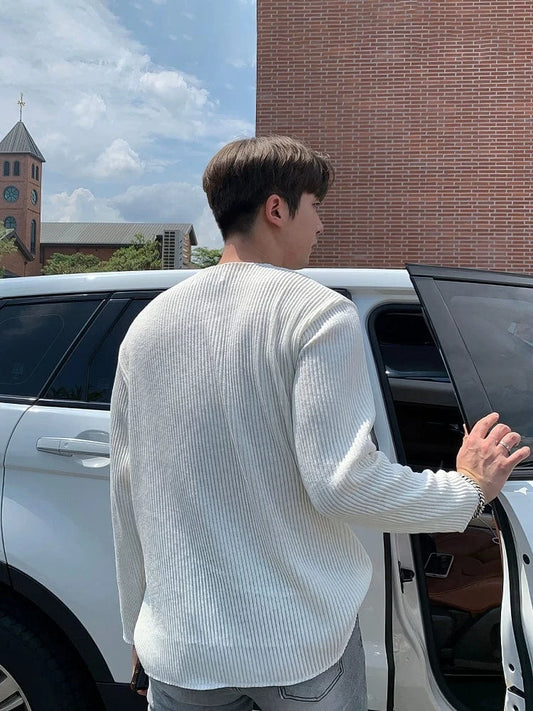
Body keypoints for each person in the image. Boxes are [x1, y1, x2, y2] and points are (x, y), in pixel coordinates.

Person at [110, 135, 529, 711]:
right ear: (276, 209)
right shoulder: (316, 311)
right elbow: (342, 484)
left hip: (180, 653)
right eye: (315, 206)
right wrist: (467, 488)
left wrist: (136, 625)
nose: (321, 226)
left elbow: (125, 490)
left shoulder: (148, 325)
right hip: (295, 648)